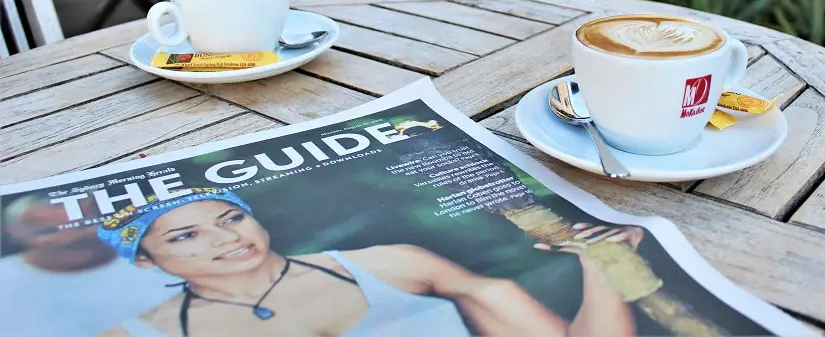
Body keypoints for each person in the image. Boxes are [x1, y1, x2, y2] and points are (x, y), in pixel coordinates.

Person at [97, 187, 643, 337]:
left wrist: (602, 267)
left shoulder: (393, 264)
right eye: (187, 236)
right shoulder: (134, 333)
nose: (223, 238)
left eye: (231, 219)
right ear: (148, 261)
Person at [0, 195, 179, 337]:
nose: (70, 238)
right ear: (15, 235)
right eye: (48, 232)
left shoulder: (166, 260)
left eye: (82, 226)